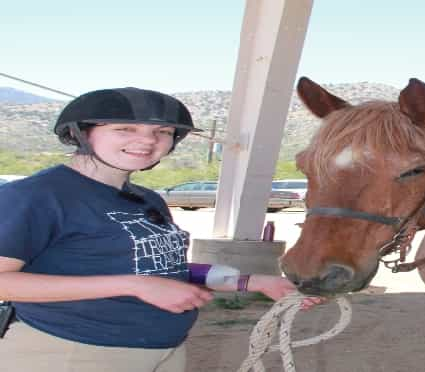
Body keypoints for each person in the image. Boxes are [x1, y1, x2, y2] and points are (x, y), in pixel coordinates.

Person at [0, 87, 321, 372]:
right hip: (71, 352)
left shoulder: (146, 198)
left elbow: (161, 269)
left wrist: (251, 281)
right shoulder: (37, 196)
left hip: (163, 351)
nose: (147, 140)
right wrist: (135, 286)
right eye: (124, 129)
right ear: (82, 134)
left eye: (163, 131)